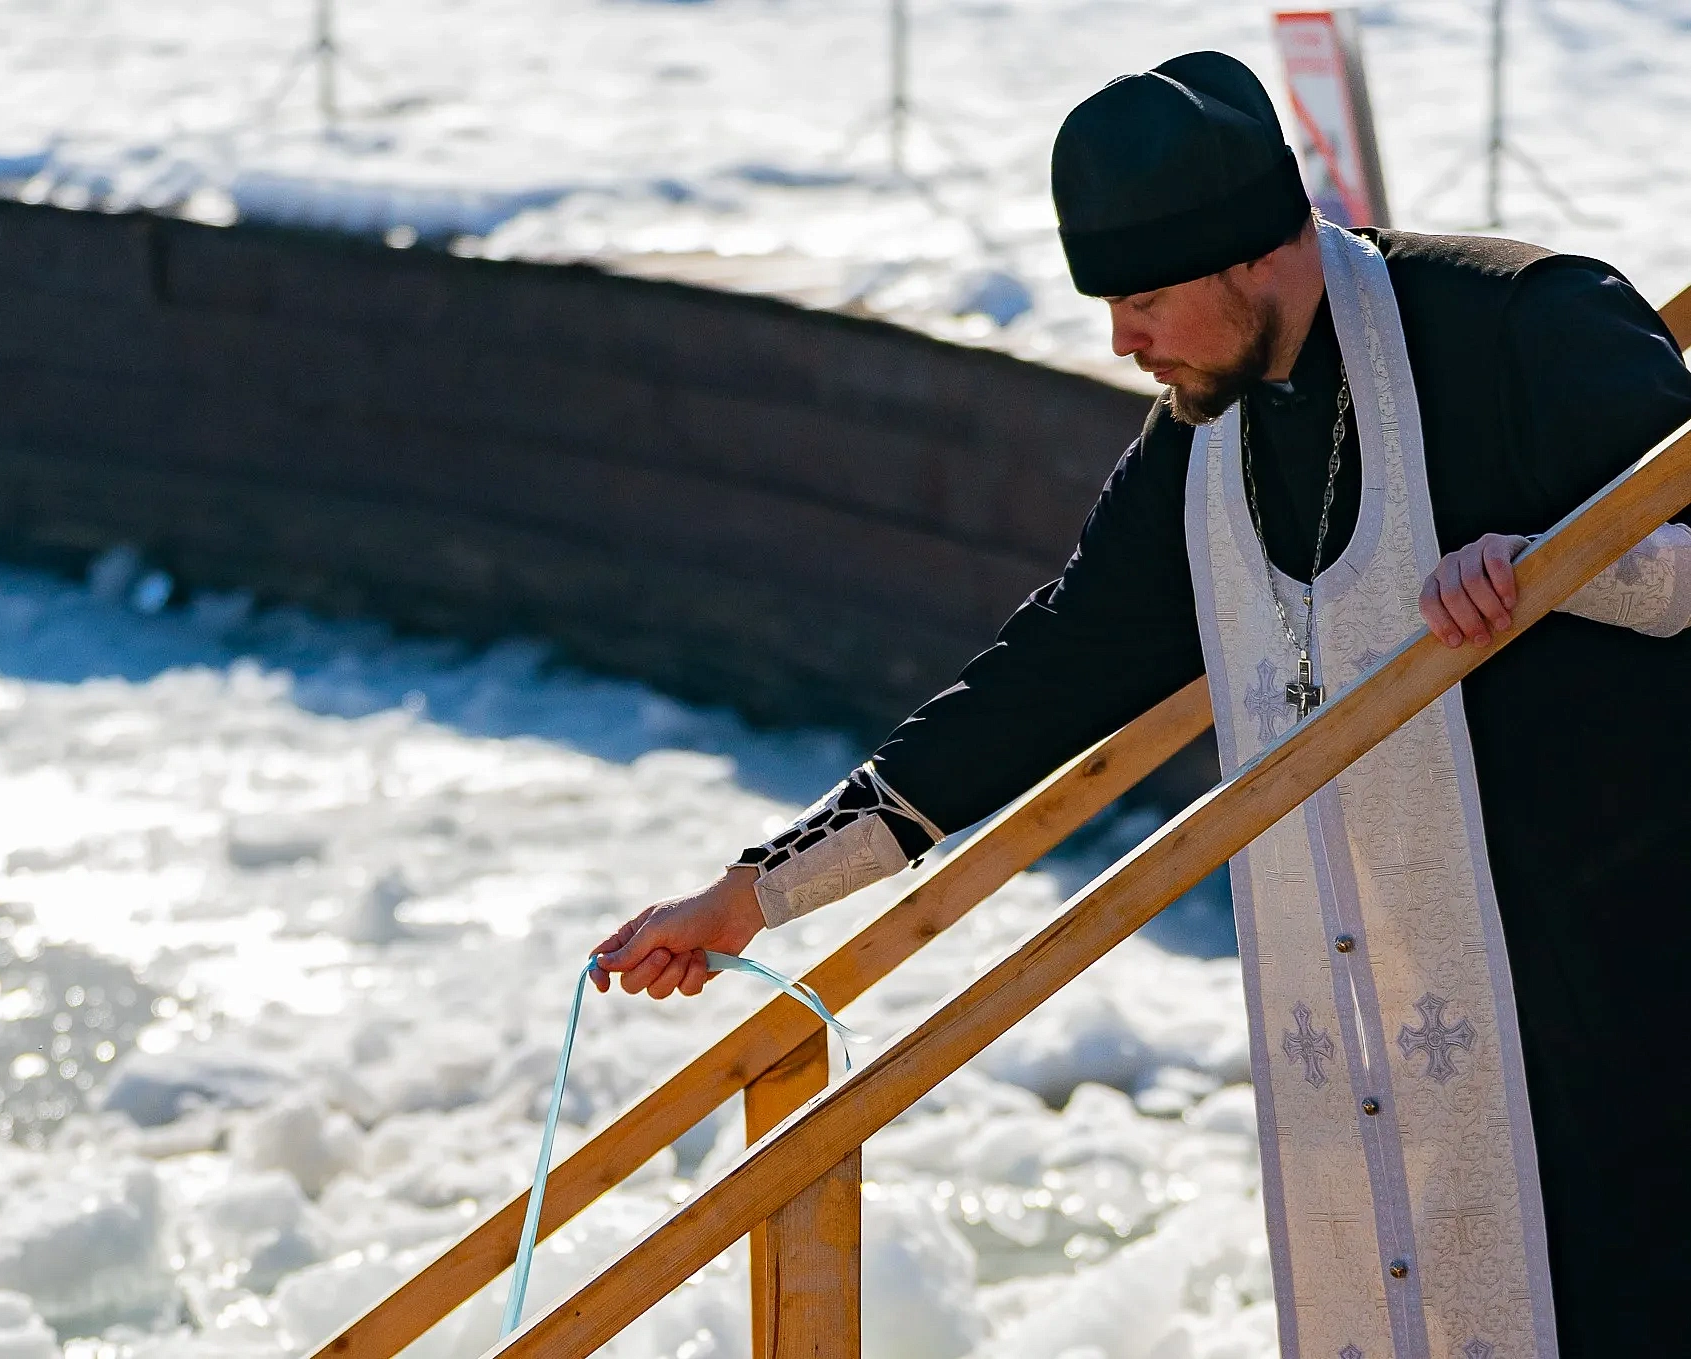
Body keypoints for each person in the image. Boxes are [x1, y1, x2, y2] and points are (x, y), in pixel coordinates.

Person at [591, 50, 1691, 1357]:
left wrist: (1556, 566)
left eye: (1146, 296)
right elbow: (1041, 680)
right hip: (1407, 1051)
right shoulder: (1203, 455)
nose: (1121, 340)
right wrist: (753, 892)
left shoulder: (1523, 322)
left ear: (1250, 255)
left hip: (1635, 1015)